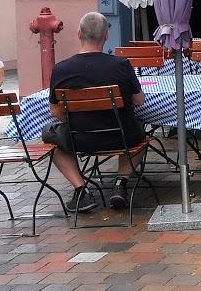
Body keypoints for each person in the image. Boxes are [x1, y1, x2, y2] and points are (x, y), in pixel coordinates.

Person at [47, 11, 151, 212]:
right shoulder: (121, 65)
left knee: (52, 139)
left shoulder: (61, 69)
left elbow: (56, 111)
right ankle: (121, 184)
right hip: (122, 137)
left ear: (79, 34)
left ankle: (81, 190)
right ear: (106, 36)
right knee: (142, 135)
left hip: (80, 139)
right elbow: (139, 101)